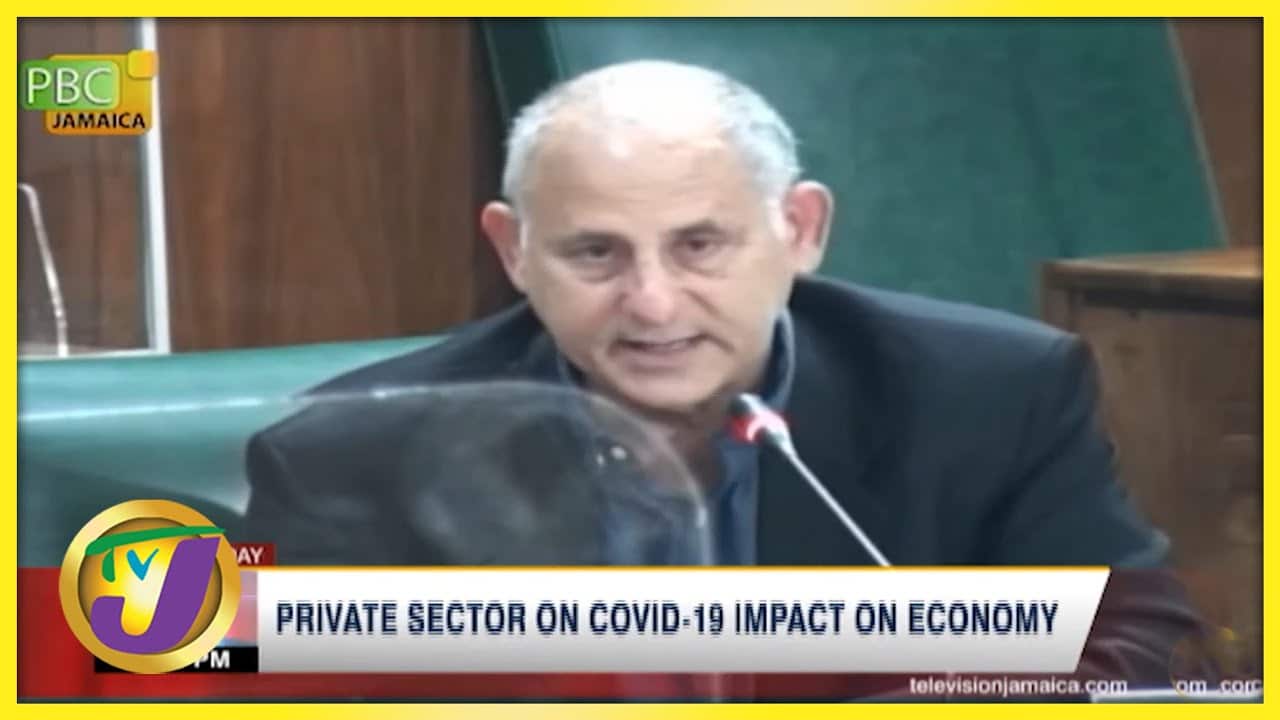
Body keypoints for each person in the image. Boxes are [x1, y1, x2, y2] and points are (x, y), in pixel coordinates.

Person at [244, 60, 1206, 689]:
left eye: (699, 245)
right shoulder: (346, 451)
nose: (653, 303)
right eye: (594, 254)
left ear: (801, 230)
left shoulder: (990, 390)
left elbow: (1132, 649)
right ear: (514, 252)